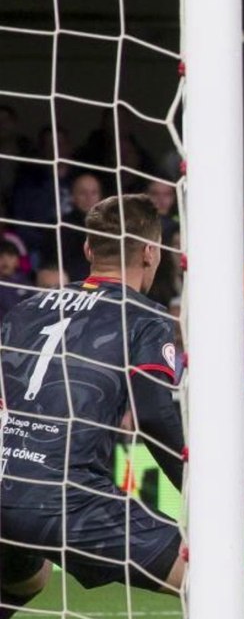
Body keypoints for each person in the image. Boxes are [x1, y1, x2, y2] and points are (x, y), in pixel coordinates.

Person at [0, 194, 186, 614]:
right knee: (208, 574)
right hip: (66, 497)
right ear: (152, 251)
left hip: (5, 483)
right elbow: (154, 414)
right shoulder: (144, 316)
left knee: (27, 576)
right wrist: (196, 488)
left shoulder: (25, 309)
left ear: (87, 249)